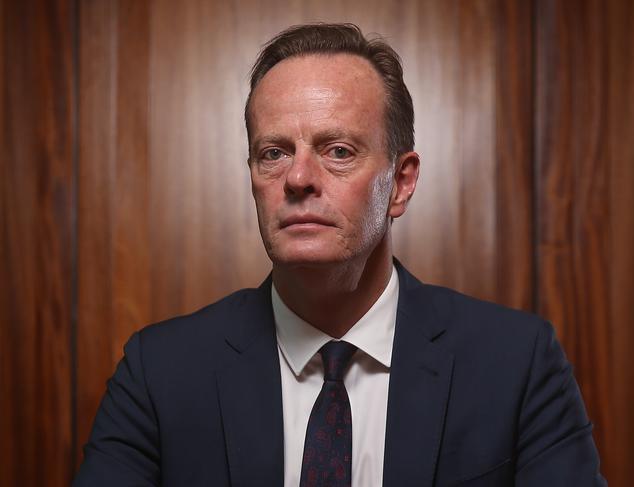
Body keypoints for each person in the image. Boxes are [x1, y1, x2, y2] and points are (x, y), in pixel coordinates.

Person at [74, 23, 607, 486]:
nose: (299, 179)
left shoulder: (517, 364)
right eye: (274, 153)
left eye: (338, 151)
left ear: (400, 183)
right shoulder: (159, 372)